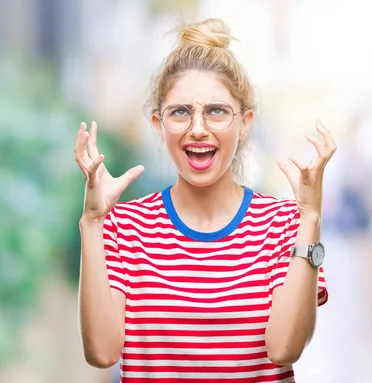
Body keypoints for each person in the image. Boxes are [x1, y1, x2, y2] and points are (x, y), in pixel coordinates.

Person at [74, 18, 335, 382]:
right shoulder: (124, 225)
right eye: (180, 112)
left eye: (216, 111)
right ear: (157, 124)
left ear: (245, 122)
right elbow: (102, 353)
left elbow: (284, 349)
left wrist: (310, 217)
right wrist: (92, 222)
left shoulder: (284, 223)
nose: (198, 128)